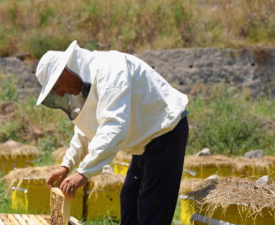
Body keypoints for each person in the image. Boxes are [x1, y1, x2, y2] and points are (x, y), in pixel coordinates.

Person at [36, 40, 189, 225]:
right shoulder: (85, 86)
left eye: (58, 86)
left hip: (165, 131)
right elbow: (85, 133)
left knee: (152, 208)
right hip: (144, 141)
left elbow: (113, 126)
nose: (60, 95)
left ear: (66, 70)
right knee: (129, 200)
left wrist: (83, 173)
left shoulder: (110, 70)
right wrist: (66, 166)